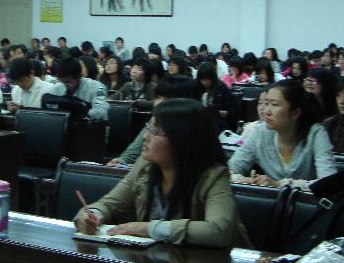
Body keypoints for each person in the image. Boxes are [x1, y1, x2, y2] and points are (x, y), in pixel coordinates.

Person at [75, 99, 251, 248]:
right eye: (148, 128)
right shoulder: (146, 165)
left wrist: (149, 228)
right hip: (160, 261)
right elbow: (110, 203)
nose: (146, 137)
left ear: (182, 139)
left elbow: (217, 231)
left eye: (155, 131)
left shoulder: (213, 175)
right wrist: (93, 214)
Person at [228, 80, 337, 187]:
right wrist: (242, 180)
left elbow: (328, 183)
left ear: (295, 113)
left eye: (274, 104)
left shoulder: (316, 134)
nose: (266, 111)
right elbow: (230, 169)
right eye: (266, 103)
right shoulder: (259, 133)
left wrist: (280, 184)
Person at [108, 75, 203, 167]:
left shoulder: (196, 131)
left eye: (167, 99)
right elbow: (134, 150)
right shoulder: (155, 120)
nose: (158, 103)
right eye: (157, 97)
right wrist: (121, 161)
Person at [49, 56, 108, 121]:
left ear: (79, 76)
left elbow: (101, 113)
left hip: (87, 125)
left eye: (68, 82)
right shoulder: (58, 86)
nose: (65, 85)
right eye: (63, 81)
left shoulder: (96, 87)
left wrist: (83, 109)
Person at [196, 61, 235, 130]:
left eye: (208, 80)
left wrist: (220, 113)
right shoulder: (196, 86)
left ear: (213, 78)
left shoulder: (221, 87)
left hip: (218, 122)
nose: (205, 82)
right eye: (202, 79)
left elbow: (232, 109)